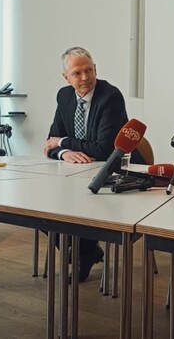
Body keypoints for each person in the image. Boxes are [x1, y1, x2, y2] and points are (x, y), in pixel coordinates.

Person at [43, 46, 128, 282]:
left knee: (83, 204)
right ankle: (87, 252)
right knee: (41, 211)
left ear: (96, 69)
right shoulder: (64, 96)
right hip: (74, 171)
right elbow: (49, 144)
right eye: (77, 73)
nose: (85, 78)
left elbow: (103, 149)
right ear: (66, 77)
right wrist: (64, 153)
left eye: (89, 70)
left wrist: (63, 142)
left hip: (110, 173)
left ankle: (84, 252)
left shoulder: (110, 96)